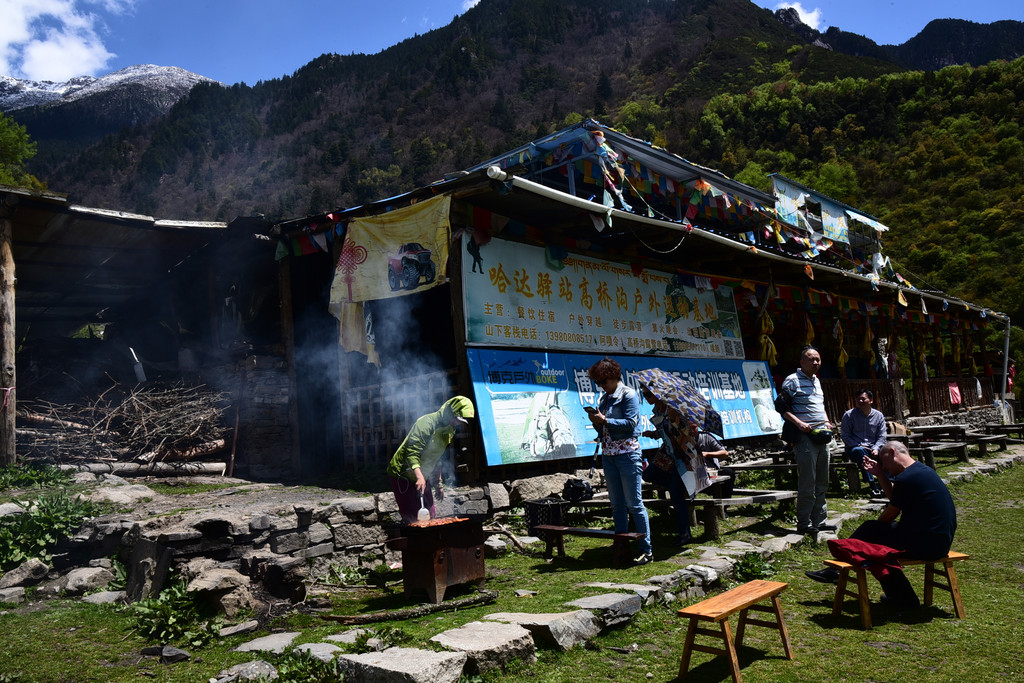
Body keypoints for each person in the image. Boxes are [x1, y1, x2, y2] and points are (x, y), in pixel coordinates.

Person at [806, 440, 957, 607]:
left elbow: (891, 513)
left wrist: (873, 534)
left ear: (892, 453)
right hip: (940, 541)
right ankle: (902, 597)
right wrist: (879, 474)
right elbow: (896, 498)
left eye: (884, 463)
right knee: (874, 538)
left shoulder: (907, 478)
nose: (885, 468)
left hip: (925, 544)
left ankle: (902, 598)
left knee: (873, 544)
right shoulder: (921, 471)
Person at [587, 357, 652, 565]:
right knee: (616, 505)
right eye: (598, 383)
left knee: (634, 503)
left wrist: (605, 420)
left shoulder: (629, 394)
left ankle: (646, 549)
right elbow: (605, 429)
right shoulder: (604, 399)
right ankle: (621, 544)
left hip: (628, 454)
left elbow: (631, 423)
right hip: (609, 455)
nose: (601, 386)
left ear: (614, 377)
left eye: (603, 382)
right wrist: (597, 422)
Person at [776, 345, 837, 534]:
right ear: (802, 362)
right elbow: (781, 406)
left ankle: (819, 520)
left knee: (822, 480)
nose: (816, 362)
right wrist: (799, 423)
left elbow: (820, 405)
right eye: (811, 359)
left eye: (818, 359)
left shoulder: (817, 381)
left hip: (822, 435)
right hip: (804, 437)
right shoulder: (792, 381)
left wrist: (826, 420)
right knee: (807, 482)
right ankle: (804, 523)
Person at [386, 396, 475, 524]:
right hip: (402, 474)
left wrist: (439, 483)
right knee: (413, 518)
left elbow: (437, 457)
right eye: (457, 418)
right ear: (449, 412)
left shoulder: (449, 431)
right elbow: (412, 453)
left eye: (461, 421)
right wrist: (419, 477)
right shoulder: (426, 423)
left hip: (422, 474)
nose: (458, 423)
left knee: (431, 514)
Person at [640, 388, 693, 546]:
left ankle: (685, 534)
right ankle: (673, 484)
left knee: (677, 497)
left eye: (649, 394)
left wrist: (673, 419)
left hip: (681, 456)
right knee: (648, 475)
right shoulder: (657, 411)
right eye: (644, 394)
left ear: (658, 394)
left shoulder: (673, 409)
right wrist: (654, 434)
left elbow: (685, 431)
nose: (646, 397)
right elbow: (663, 432)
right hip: (667, 454)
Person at [839, 389, 887, 498]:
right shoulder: (849, 415)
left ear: (870, 400)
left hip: (873, 447)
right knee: (860, 452)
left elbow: (882, 436)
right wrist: (859, 445)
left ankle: (889, 483)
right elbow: (845, 436)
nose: (860, 401)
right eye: (858, 399)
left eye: (863, 398)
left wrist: (876, 448)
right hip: (855, 448)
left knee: (888, 452)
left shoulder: (878, 416)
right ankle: (873, 486)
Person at [699, 430, 735, 498]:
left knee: (729, 473)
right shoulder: (684, 439)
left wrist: (707, 454)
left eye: (694, 428)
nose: (691, 430)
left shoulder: (706, 437)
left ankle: (725, 504)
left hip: (711, 470)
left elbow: (725, 454)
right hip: (695, 472)